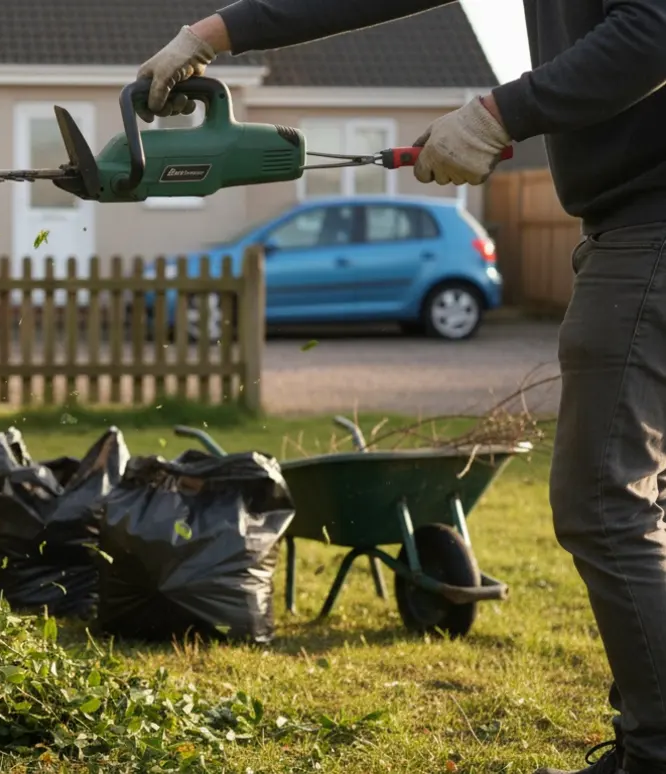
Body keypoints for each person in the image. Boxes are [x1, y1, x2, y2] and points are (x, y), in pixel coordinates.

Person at [136, 2, 666, 773]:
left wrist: (496, 112)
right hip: (631, 222)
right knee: (644, 504)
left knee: (606, 504)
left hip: (652, 229)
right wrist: (214, 33)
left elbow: (655, 30)